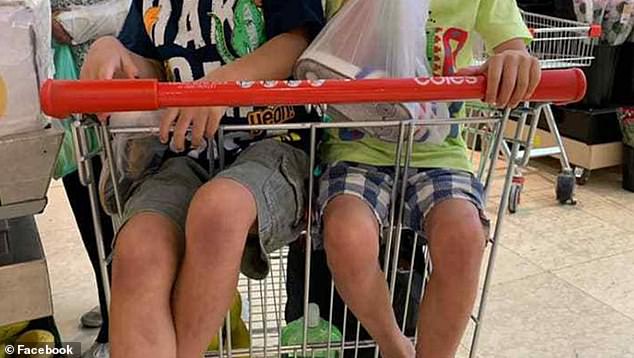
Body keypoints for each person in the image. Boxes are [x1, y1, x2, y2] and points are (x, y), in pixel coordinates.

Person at [79, 0, 324, 357]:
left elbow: (298, 40)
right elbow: (151, 65)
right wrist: (113, 51)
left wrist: (217, 86)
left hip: (275, 143)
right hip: (183, 152)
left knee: (218, 210)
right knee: (138, 250)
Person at [316, 1, 541, 357]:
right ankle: (394, 344)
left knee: (464, 237)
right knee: (346, 234)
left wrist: (514, 60)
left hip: (439, 151)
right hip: (356, 147)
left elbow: (513, 48)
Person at [50, 1, 129, 357]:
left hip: (120, 89)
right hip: (70, 93)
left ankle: (123, 321)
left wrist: (69, 23)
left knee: (122, 214)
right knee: (89, 211)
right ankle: (111, 299)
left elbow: (134, 8)